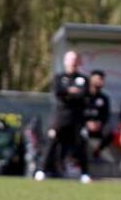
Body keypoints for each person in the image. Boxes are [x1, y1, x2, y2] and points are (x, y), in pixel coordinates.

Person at [35, 50, 91, 183]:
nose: (72, 62)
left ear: (78, 62)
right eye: (70, 59)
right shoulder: (59, 78)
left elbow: (83, 95)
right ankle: (41, 170)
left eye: (75, 59)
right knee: (52, 142)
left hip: (77, 118)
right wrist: (70, 92)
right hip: (60, 118)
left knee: (80, 144)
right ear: (65, 61)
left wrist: (69, 93)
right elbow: (58, 92)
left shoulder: (83, 79)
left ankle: (85, 174)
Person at [82, 69, 112, 163]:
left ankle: (97, 152)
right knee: (78, 133)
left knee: (109, 132)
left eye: (102, 79)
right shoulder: (83, 96)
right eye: (98, 79)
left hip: (98, 128)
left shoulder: (104, 98)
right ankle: (77, 158)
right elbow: (77, 113)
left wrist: (99, 123)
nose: (101, 82)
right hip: (84, 126)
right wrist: (87, 123)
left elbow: (106, 115)